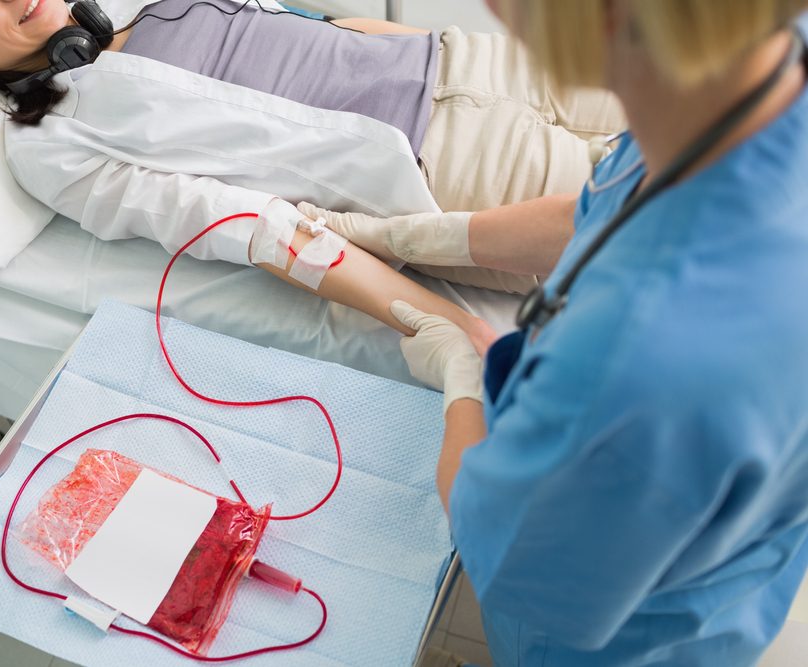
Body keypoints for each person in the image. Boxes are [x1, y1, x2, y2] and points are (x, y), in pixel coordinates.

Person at [321, 1, 808, 665]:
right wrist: (434, 235)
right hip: (740, 554)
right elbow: (613, 200)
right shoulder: (750, 75)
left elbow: (492, 531)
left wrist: (462, 376)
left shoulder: (639, 363)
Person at [0, 0, 623, 349]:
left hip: (487, 65)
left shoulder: (151, 11)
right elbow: (263, 233)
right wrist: (454, 333)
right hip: (455, 158)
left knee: (739, 129)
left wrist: (440, 47)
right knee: (698, 226)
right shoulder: (59, 142)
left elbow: (329, 29)